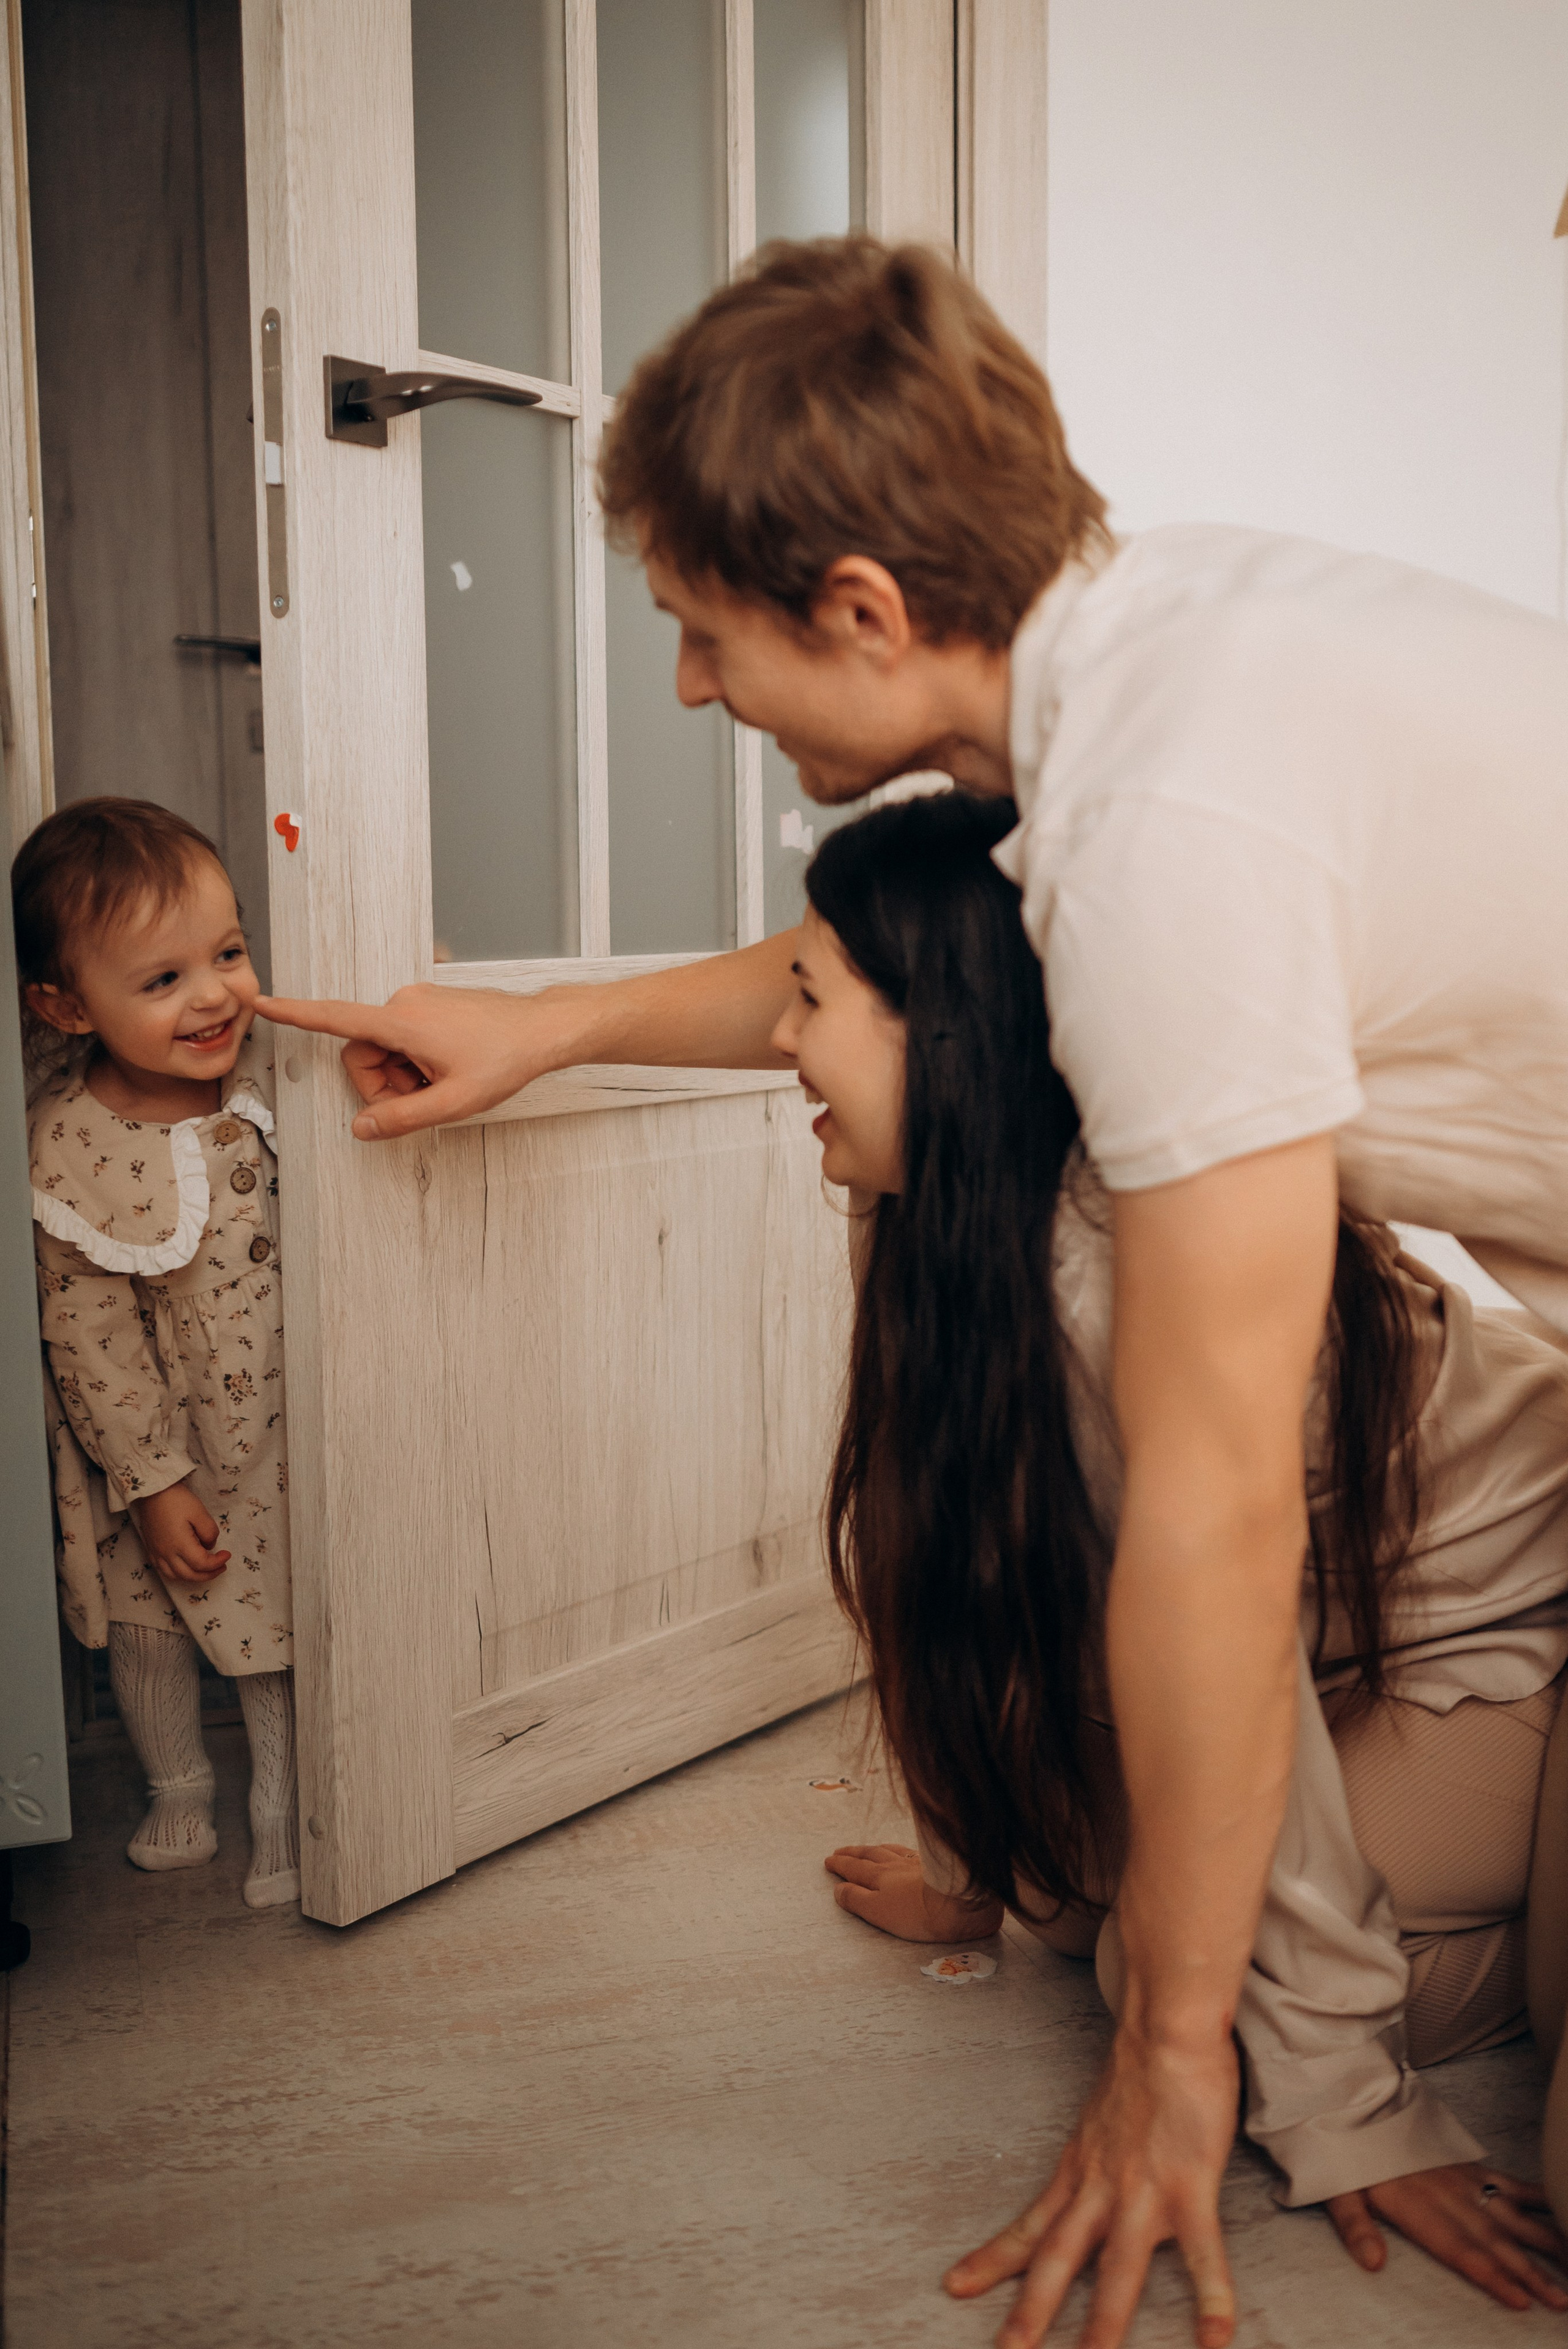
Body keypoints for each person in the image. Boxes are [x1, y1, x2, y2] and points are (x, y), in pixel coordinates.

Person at [255, 237, 1568, 2345]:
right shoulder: (1145, 659)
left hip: (1522, 1595)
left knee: (1190, 1957)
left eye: (701, 631)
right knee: (1133, 1872)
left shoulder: (1166, 830)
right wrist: (552, 1028)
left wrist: (1194, 2060)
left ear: (859, 606)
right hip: (1485, 1543)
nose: (693, 686)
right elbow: (890, 974)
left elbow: (1218, 1514)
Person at [780, 785, 1568, 2312]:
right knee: (1087, 1890)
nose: (776, 1041)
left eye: (806, 1000)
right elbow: (950, 1573)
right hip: (1359, 1619)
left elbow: (1237, 1671)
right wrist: (978, 1864)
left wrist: (1345, 2102)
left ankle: (1509, 1910)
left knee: (1153, 1972)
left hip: (1513, 1615)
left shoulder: (1119, 1279)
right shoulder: (935, 1213)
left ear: (940, 1036)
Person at [15, 798, 297, 1910]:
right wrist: (152, 1478)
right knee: (147, 1622)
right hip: (156, 1448)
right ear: (63, 1006)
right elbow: (89, 1338)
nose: (216, 993)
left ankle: (282, 1798)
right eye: (164, 979)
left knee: (278, 1610)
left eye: (227, 952)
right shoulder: (66, 1146)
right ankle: (177, 1784)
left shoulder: (274, 1078)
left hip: (279, 1417)